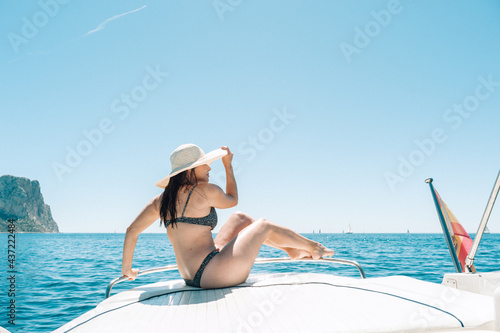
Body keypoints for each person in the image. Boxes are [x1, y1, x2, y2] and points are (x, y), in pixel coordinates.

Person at [121, 143, 334, 289]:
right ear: (190, 170)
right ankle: (314, 247)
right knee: (263, 225)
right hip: (213, 275)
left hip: (190, 277)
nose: (209, 167)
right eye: (204, 163)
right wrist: (228, 166)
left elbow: (132, 231)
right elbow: (232, 198)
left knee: (241, 218)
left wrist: (127, 269)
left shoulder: (160, 201)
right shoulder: (205, 191)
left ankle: (291, 250)